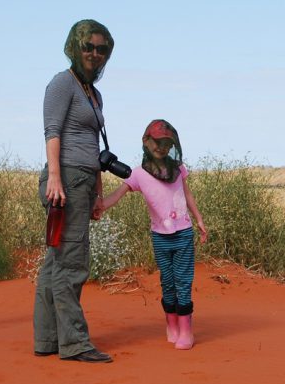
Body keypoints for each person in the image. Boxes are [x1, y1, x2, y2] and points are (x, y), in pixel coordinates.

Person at [33, 19, 115, 363]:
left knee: (55, 262)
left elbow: (93, 145)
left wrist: (98, 192)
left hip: (82, 180)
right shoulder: (62, 84)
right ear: (74, 47)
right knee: (72, 262)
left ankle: (48, 340)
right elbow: (52, 130)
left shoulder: (93, 93)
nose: (94, 54)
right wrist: (55, 178)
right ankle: (75, 343)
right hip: (65, 179)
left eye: (101, 49)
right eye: (88, 47)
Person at [101, 119, 208, 350]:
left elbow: (187, 195)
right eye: (158, 142)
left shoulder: (178, 169)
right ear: (145, 141)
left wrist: (199, 219)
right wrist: (98, 206)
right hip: (160, 236)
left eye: (167, 144)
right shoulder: (138, 174)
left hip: (183, 233)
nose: (162, 147)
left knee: (183, 281)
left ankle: (186, 330)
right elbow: (117, 195)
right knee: (167, 282)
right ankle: (171, 325)